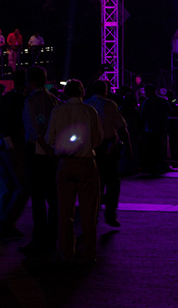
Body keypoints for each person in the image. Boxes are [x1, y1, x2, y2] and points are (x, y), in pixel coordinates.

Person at [46, 79, 103, 264]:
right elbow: (98, 139)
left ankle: (66, 252)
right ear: (82, 92)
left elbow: (49, 138)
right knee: (89, 213)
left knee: (65, 213)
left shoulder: (57, 111)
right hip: (86, 163)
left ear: (65, 93)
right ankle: (89, 253)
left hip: (65, 164)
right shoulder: (90, 111)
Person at [20, 65, 58, 254]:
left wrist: (45, 148)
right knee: (53, 196)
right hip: (52, 151)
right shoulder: (54, 100)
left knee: (37, 197)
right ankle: (53, 236)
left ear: (31, 81)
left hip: (36, 153)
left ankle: (39, 238)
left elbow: (34, 131)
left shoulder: (31, 101)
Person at [85, 80, 129, 228]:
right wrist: (128, 146)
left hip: (91, 146)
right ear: (105, 90)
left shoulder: (87, 104)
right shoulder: (110, 105)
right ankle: (110, 214)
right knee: (112, 182)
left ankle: (93, 214)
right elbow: (121, 127)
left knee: (95, 182)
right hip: (108, 146)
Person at [0, 68, 29, 241]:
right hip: (12, 144)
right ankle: (7, 222)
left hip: (0, 143)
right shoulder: (22, 100)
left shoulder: (4, 99)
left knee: (7, 187)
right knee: (22, 185)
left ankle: (4, 222)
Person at [140, 83, 173, 173]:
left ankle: (153, 165)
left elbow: (143, 115)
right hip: (161, 127)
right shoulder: (163, 100)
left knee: (151, 147)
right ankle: (162, 164)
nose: (145, 93)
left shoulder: (147, 101)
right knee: (161, 147)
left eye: (146, 91)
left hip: (150, 128)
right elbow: (170, 111)